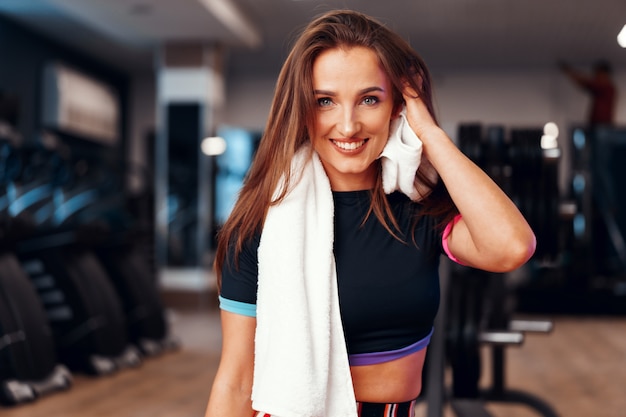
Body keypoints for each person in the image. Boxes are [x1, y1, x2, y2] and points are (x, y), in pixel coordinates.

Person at [204, 9, 536, 417]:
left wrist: (429, 131)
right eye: (325, 101)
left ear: (397, 105)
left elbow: (511, 246)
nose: (347, 125)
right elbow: (236, 382)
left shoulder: (420, 209)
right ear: (302, 110)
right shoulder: (262, 226)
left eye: (369, 99)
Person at [559, 60, 617, 127]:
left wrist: (569, 71)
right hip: (598, 125)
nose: (596, 77)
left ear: (605, 74)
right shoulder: (608, 88)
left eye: (598, 74)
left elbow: (585, 82)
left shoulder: (607, 88)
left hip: (602, 125)